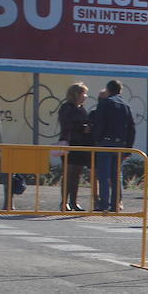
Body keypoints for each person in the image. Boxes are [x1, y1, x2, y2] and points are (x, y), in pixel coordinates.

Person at [88, 80, 135, 213]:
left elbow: (100, 123)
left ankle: (103, 205)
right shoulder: (126, 106)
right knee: (116, 176)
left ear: (108, 90)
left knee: (103, 176)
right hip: (120, 144)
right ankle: (115, 205)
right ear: (120, 91)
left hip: (105, 143)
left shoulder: (105, 103)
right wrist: (128, 148)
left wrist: (97, 139)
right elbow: (131, 128)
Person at [56, 82, 91, 212]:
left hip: (81, 145)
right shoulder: (67, 108)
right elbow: (66, 125)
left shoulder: (82, 109)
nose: (85, 96)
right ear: (76, 94)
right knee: (68, 173)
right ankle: (64, 202)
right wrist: (82, 128)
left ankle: (74, 202)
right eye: (83, 93)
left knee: (77, 175)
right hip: (70, 144)